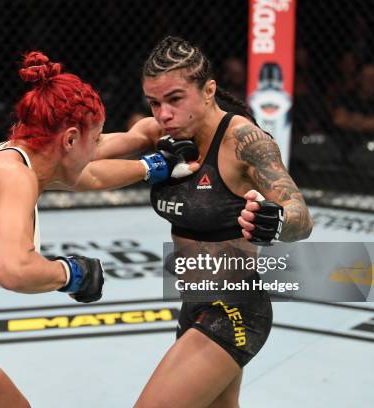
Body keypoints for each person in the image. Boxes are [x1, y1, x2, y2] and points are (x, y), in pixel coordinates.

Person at [0, 51, 197, 407]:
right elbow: (14, 269)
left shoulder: (3, 156)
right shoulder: (14, 178)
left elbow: (90, 170)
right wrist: (71, 273)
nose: (97, 147)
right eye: (95, 139)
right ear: (70, 140)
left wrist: (151, 160)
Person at [93, 36, 314, 407]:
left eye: (175, 99)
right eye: (154, 102)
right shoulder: (159, 133)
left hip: (235, 309)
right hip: (193, 304)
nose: (164, 114)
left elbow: (300, 217)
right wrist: (38, 137)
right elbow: (84, 155)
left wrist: (274, 222)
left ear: (209, 90)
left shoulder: (244, 141)